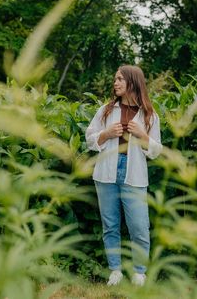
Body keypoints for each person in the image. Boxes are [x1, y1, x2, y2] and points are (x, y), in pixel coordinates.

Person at [85, 65, 162, 286]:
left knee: (139, 225)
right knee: (110, 224)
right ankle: (115, 271)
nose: (115, 83)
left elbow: (156, 151)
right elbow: (90, 139)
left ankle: (139, 272)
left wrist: (142, 136)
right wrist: (106, 134)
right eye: (115, 79)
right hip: (105, 173)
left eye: (120, 79)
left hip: (134, 173)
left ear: (132, 82)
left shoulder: (149, 115)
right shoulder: (106, 110)